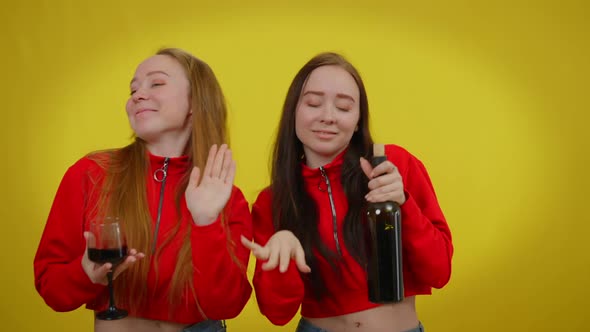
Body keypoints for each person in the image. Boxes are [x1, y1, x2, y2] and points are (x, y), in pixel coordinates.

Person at [34, 48, 252, 332]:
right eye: (133, 88)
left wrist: (206, 223)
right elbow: (52, 289)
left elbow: (226, 306)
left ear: (195, 103)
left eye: (157, 83)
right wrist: (86, 273)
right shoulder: (90, 173)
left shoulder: (227, 198)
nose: (137, 95)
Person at [241, 52, 453, 332]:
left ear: (357, 122)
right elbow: (277, 313)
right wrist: (283, 257)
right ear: (293, 111)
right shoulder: (273, 202)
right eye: (314, 103)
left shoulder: (393, 166)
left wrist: (404, 204)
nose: (328, 117)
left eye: (343, 107)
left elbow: (439, 272)